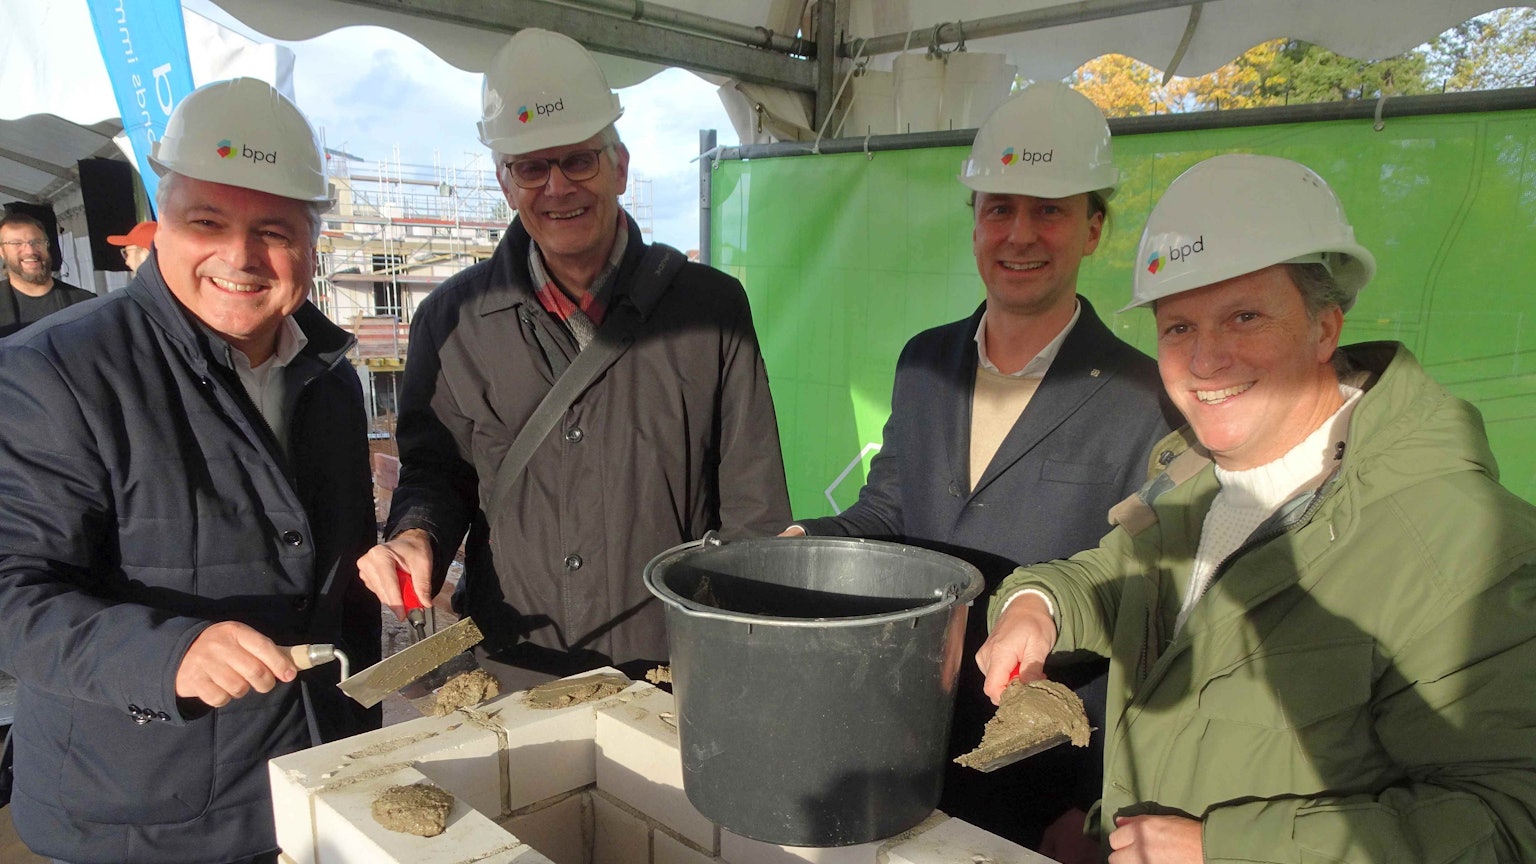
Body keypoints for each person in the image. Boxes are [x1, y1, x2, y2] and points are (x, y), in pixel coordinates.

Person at [979, 153, 1536, 863]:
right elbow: (1109, 574)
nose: (1206, 360)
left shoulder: (1468, 541)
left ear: (1324, 328)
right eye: (1178, 327)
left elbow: (1511, 821)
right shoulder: (1196, 479)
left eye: (1244, 317)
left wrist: (1225, 849)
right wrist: (1036, 604)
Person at [785, 83, 1176, 849]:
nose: (1020, 234)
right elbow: (890, 515)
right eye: (1000, 208)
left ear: (1093, 229)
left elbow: (1142, 603)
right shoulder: (926, 363)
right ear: (974, 224)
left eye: (1049, 211)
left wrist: (1089, 800)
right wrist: (810, 541)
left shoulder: (1142, 397)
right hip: (904, 730)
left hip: (1042, 770)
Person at [0, 78, 381, 864]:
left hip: (314, 779)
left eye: (273, 230)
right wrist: (166, 655)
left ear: (311, 243)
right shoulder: (54, 372)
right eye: (207, 221)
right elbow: (10, 591)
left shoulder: (331, 378)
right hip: (141, 818)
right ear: (157, 227)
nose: (240, 257)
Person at [357, 29, 790, 688]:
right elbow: (435, 474)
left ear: (618, 166)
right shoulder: (451, 321)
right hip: (515, 671)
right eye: (532, 167)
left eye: (579, 161)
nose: (558, 187)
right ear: (507, 183)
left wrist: (735, 657)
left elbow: (753, 512)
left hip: (671, 676)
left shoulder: (709, 308)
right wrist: (416, 534)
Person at [0, 212, 94, 337]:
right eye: (16, 243)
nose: (30, 250)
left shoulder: (85, 303)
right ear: (2, 252)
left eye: (37, 242)